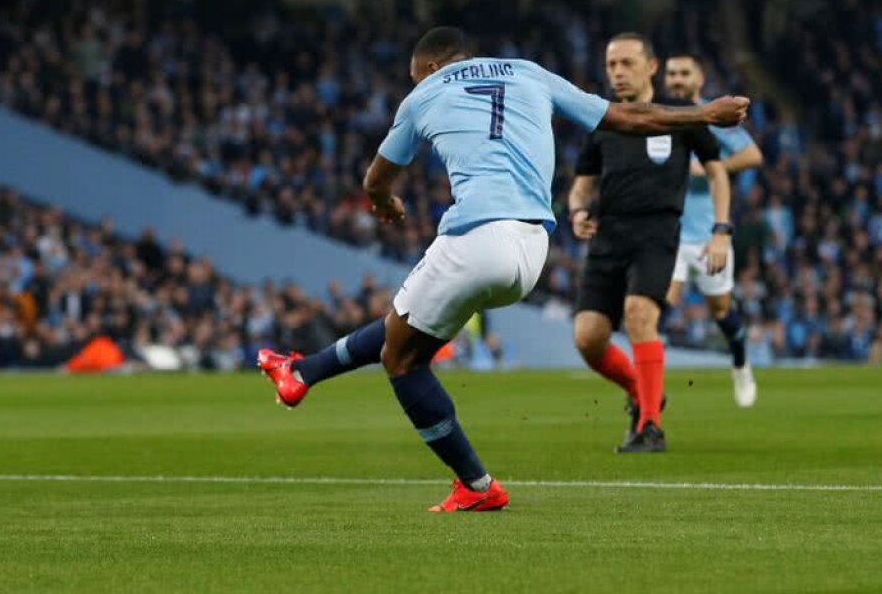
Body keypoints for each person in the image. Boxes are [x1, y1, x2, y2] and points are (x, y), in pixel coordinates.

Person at [257, 26, 749, 512]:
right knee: (402, 330)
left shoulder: (424, 93)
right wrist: (704, 112)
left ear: (430, 68)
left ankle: (476, 484)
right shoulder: (530, 73)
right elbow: (626, 117)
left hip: (476, 236)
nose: (417, 86)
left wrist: (384, 202)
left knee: (402, 361)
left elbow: (375, 178)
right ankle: (301, 372)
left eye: (416, 77)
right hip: (532, 249)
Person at [568, 33, 732, 455]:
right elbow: (582, 185)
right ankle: (644, 392)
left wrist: (720, 230)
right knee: (588, 337)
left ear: (651, 66)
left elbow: (717, 172)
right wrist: (578, 211)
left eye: (627, 63)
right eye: (611, 65)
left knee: (640, 315)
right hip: (610, 233)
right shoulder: (601, 119)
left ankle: (650, 428)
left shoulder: (679, 115)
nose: (618, 72)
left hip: (658, 232)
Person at [663, 53, 763, 407]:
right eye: (671, 73)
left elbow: (752, 155)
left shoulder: (716, 116)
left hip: (708, 235)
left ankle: (740, 363)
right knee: (656, 310)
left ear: (699, 78)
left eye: (684, 73)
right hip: (666, 235)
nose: (676, 79)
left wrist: (710, 169)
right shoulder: (658, 115)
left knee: (721, 311)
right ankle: (646, 396)